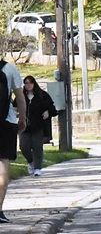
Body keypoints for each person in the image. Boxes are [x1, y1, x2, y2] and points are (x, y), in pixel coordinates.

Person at [0, 58, 28, 224]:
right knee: (3, 163)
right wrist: (23, 118)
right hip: (6, 123)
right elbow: (20, 97)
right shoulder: (9, 68)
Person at [20, 77, 57, 177]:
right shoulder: (21, 96)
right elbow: (15, 107)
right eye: (26, 83)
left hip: (38, 126)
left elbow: (53, 109)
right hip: (24, 126)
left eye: (30, 82)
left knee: (37, 147)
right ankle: (30, 161)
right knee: (24, 147)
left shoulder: (43, 95)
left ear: (34, 83)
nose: (28, 85)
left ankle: (37, 168)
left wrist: (48, 111)